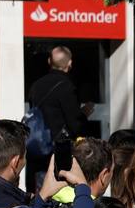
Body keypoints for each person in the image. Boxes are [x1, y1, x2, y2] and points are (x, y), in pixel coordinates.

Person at [25, 46, 93, 190]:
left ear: (49, 61)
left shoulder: (36, 86)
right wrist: (84, 115)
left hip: (36, 149)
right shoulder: (67, 86)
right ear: (70, 63)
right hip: (58, 153)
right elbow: (74, 124)